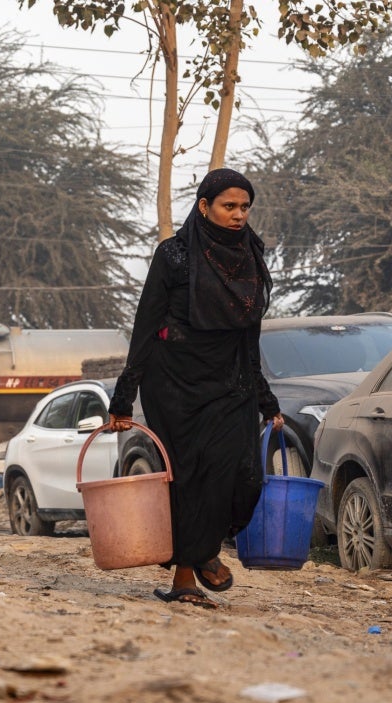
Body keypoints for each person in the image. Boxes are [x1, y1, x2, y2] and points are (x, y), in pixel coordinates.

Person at [105, 168, 283, 609]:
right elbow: (146, 326)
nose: (239, 215)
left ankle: (204, 551)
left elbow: (249, 335)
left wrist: (265, 398)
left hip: (231, 381)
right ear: (204, 207)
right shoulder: (174, 255)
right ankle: (186, 576)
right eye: (229, 206)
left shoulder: (250, 254)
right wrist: (123, 397)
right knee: (187, 481)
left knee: (241, 476)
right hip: (176, 384)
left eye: (245, 207)